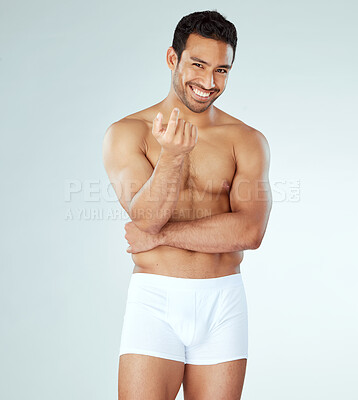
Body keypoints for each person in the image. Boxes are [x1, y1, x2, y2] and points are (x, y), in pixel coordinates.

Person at [102, 9, 272, 400]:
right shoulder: (127, 133)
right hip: (155, 301)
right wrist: (173, 157)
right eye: (198, 64)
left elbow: (249, 231)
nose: (209, 82)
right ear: (172, 59)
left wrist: (162, 236)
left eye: (222, 70)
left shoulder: (246, 140)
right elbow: (146, 218)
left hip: (223, 302)